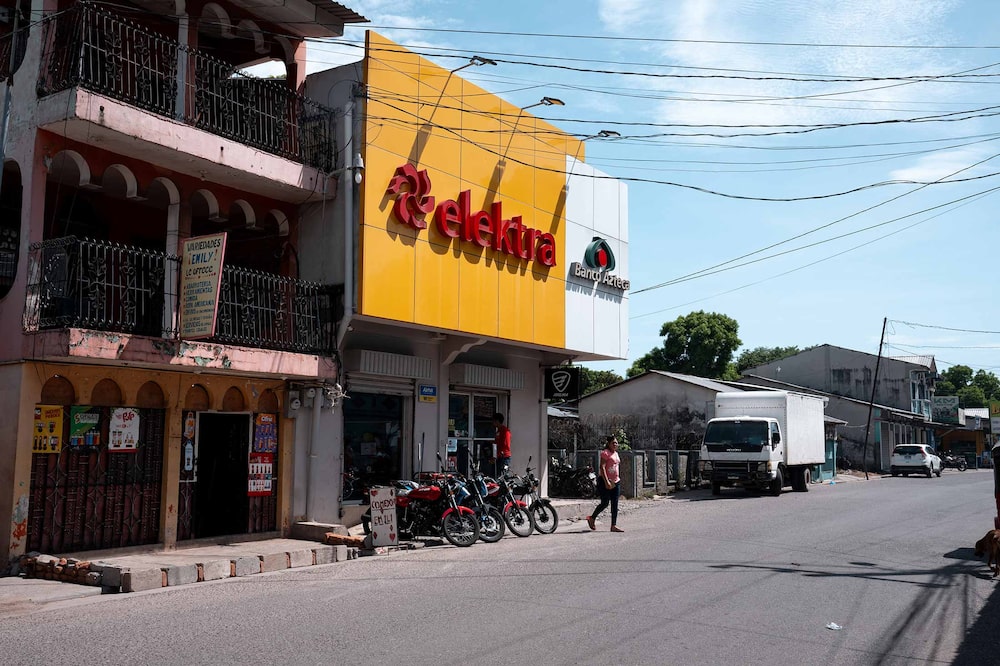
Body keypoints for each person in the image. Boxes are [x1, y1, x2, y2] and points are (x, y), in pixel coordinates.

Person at [587, 435, 623, 532]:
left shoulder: (616, 453)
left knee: (615, 504)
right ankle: (592, 518)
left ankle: (613, 525)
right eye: (613, 443)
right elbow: (602, 467)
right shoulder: (605, 453)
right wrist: (606, 481)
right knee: (605, 503)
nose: (615, 444)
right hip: (604, 481)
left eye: (616, 443)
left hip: (615, 481)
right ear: (609, 444)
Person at [491, 412, 511, 478]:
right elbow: (497, 443)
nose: (492, 423)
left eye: (493, 421)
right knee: (497, 475)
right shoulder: (498, 431)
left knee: (503, 476)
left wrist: (498, 455)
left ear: (497, 421)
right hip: (499, 456)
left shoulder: (505, 431)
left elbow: (505, 445)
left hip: (504, 457)